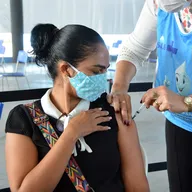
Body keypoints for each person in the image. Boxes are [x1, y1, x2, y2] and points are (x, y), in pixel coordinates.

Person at [5, 24, 149, 192]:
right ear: (66, 70)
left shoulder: (113, 111)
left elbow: (138, 186)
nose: (104, 80)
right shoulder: (25, 119)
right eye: (96, 72)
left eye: (106, 71)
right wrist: (71, 134)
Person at [109, 0, 192, 191]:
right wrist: (119, 87)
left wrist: (186, 102)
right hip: (180, 122)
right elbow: (134, 49)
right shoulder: (158, 4)